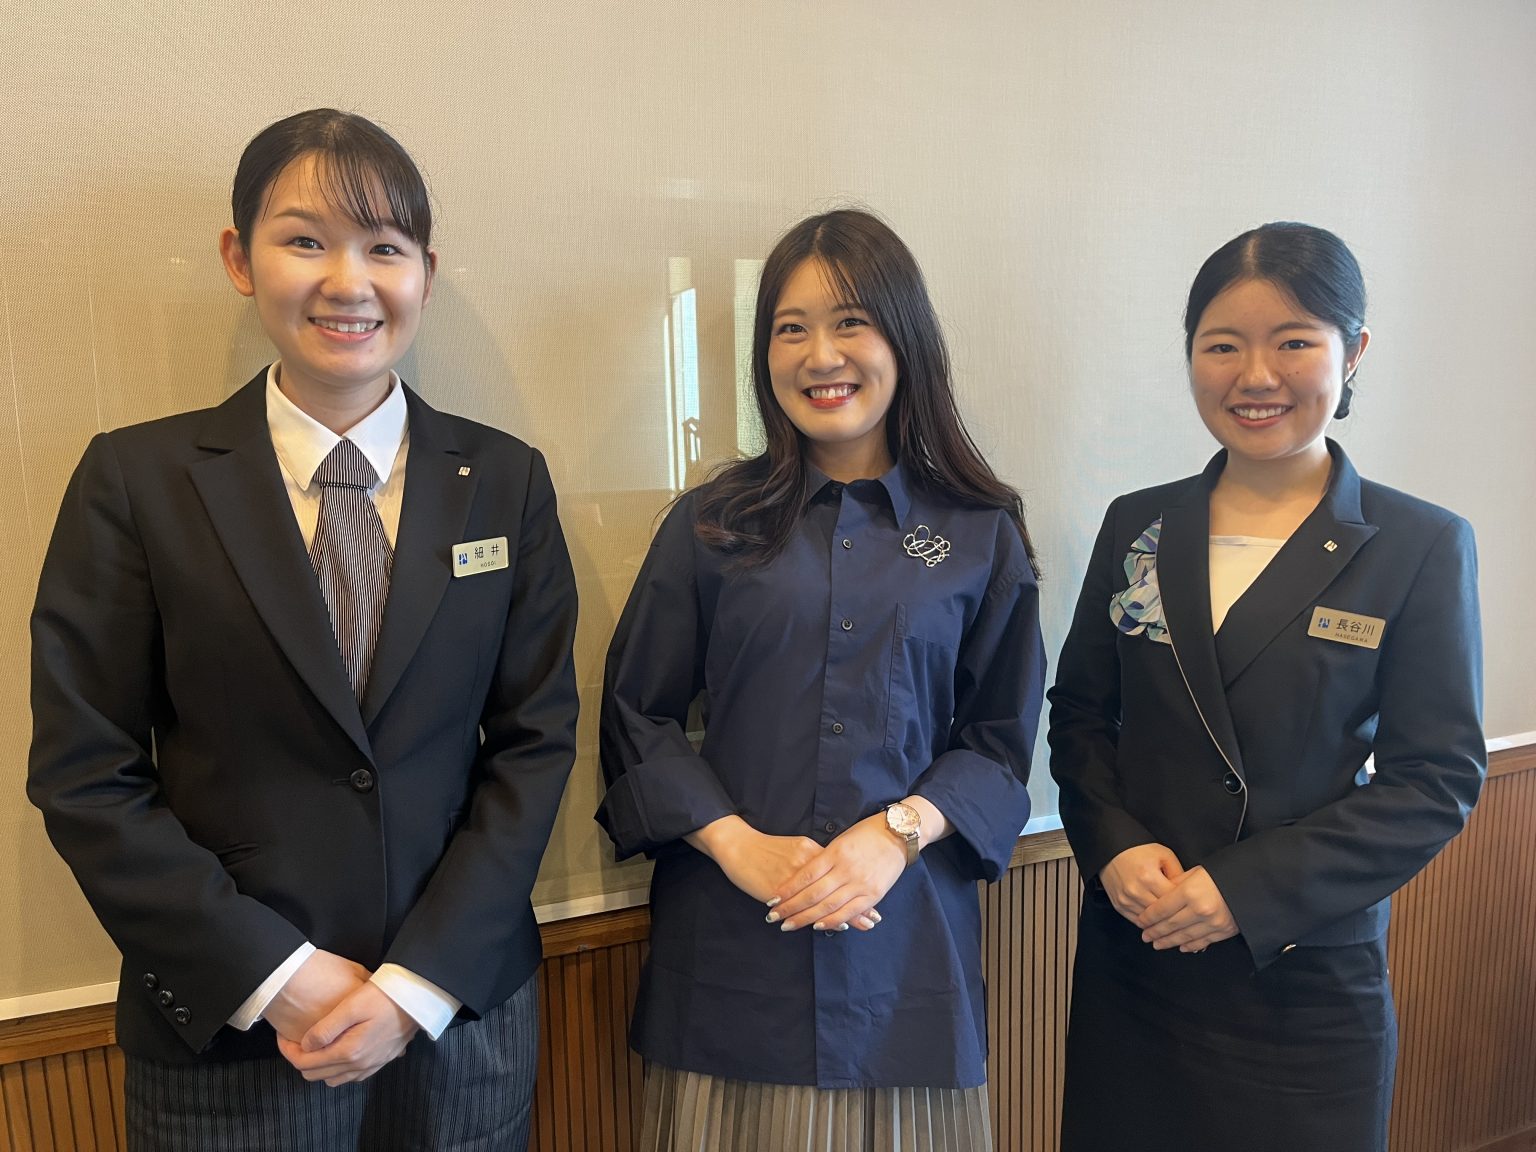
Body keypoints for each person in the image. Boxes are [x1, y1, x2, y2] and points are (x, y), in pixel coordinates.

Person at [27, 108, 579, 1151]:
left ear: (425, 273)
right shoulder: (136, 481)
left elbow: (535, 743)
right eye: (306, 240)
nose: (348, 281)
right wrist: (275, 976)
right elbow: (86, 772)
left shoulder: (505, 480)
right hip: (233, 1035)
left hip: (459, 1022)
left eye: (385, 247)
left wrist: (417, 984)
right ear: (240, 258)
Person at [597, 208, 1045, 1151]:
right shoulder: (711, 524)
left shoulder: (979, 532)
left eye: (850, 323)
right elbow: (637, 715)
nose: (819, 355)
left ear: (904, 338)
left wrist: (897, 832)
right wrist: (734, 844)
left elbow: (1000, 745)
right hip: (732, 943)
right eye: (789, 328)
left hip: (906, 949)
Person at [1048, 222, 1485, 1152]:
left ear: (1353, 352)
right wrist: (1114, 846)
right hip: (1138, 952)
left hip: (1302, 978)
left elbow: (1434, 781)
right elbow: (1081, 714)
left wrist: (1243, 891)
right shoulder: (1139, 524)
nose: (1255, 375)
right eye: (1222, 346)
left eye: (1292, 342)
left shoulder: (1419, 544)